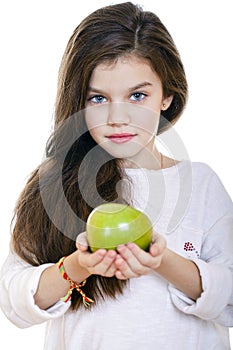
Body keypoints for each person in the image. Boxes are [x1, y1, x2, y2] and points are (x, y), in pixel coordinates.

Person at [0, 2, 233, 349]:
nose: (117, 117)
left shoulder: (200, 186)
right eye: (98, 98)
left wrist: (164, 262)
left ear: (166, 96)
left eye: (137, 95)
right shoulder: (55, 186)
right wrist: (77, 266)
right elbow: (13, 303)